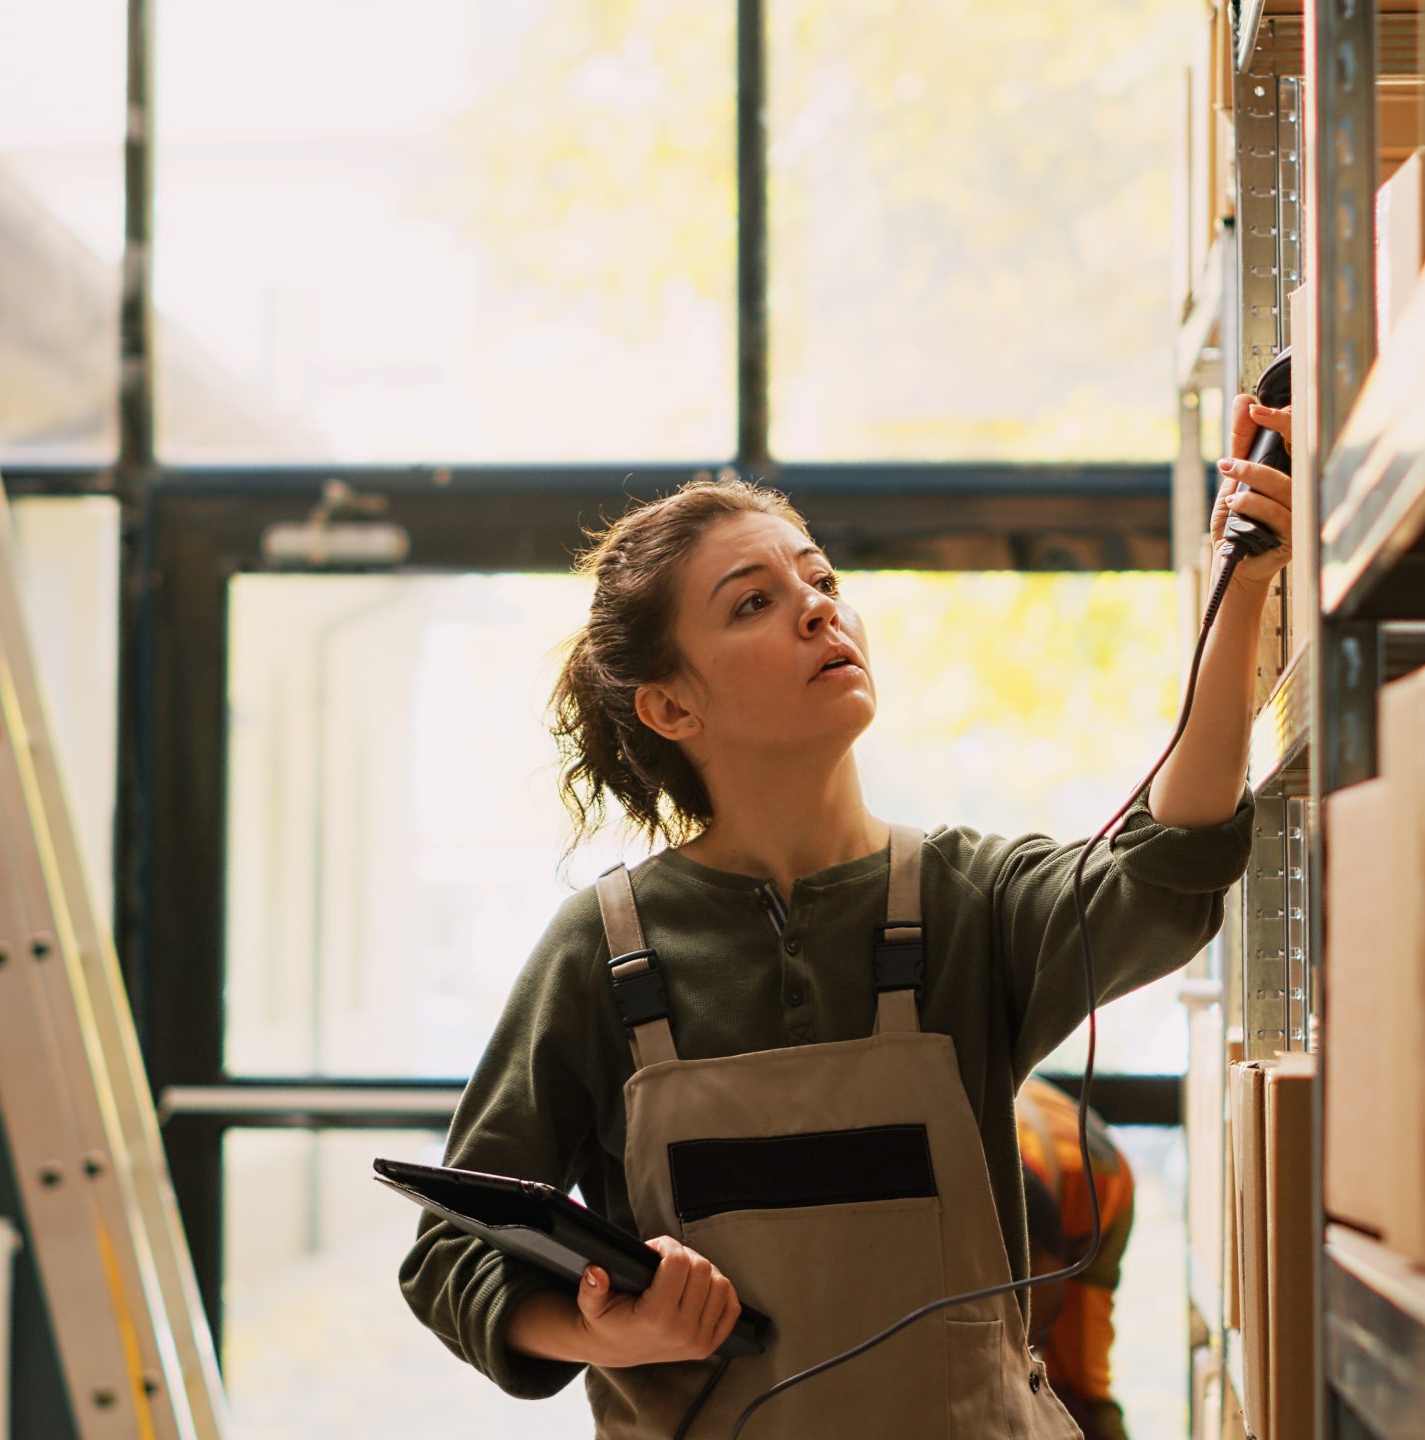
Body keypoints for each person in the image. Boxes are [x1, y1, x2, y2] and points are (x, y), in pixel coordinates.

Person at [399, 396, 1294, 1439]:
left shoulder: (969, 901)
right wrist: (613, 1333)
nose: (819, 609)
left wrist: (1246, 576)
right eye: (753, 604)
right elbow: (449, 1252)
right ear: (671, 707)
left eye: (821, 580)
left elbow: (1163, 869)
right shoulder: (602, 953)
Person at [1015, 1075, 1135, 1440]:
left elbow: (1086, 1384)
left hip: (1084, 1184)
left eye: (1041, 1333)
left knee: (1066, 1383)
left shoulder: (1101, 1187)